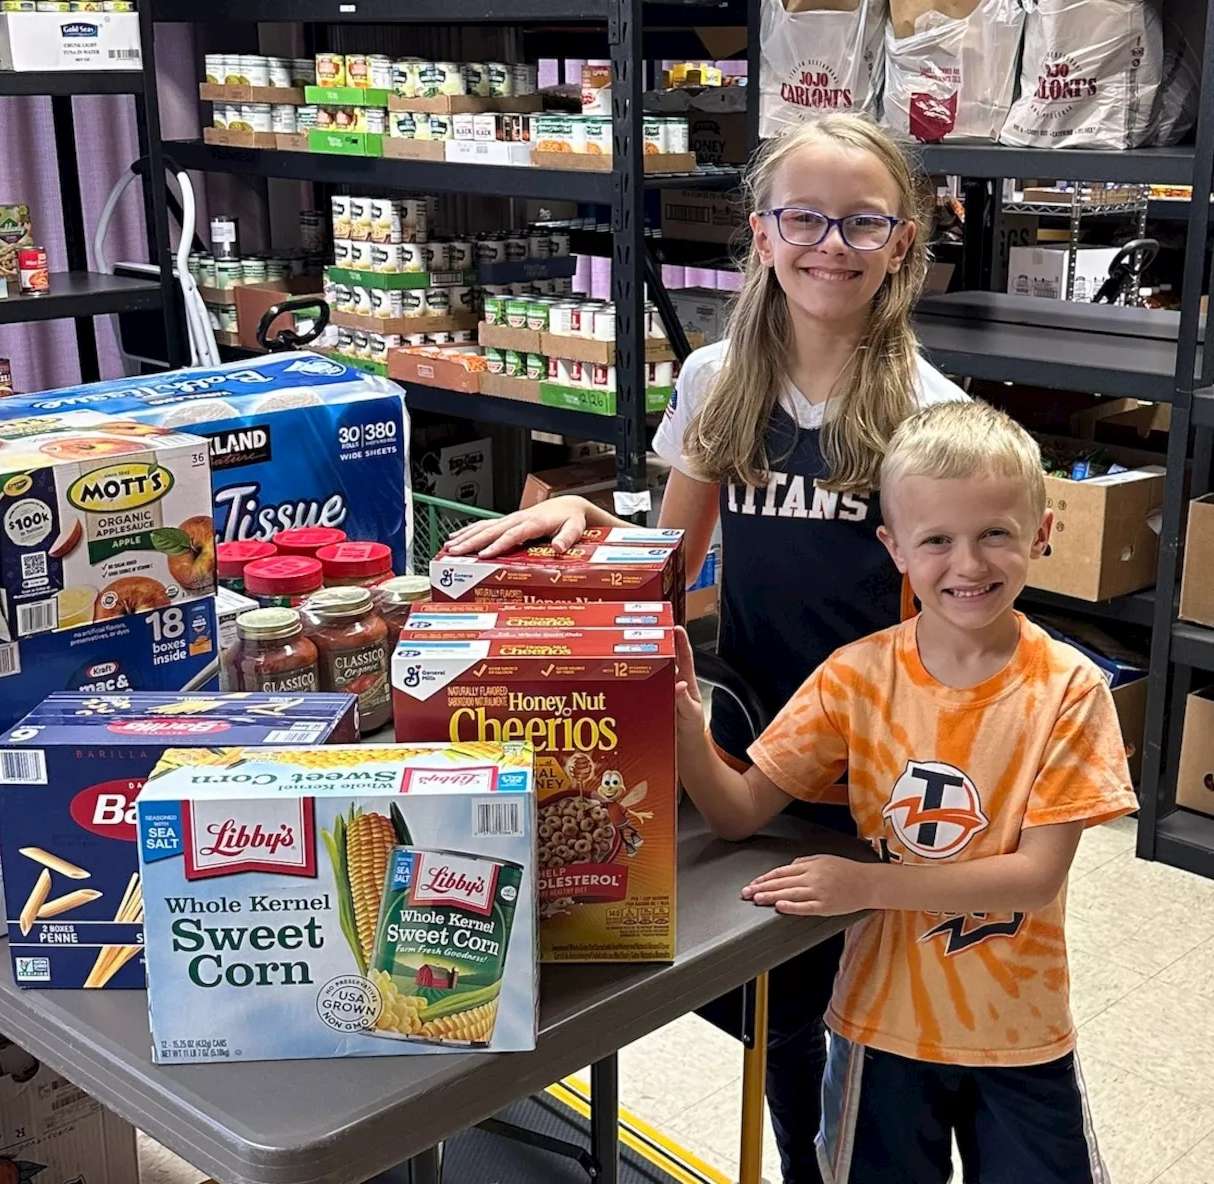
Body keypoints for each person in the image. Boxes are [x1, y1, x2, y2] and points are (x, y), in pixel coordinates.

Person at [446, 113, 966, 1182]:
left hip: (874, 767)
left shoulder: (928, 412)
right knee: (769, 1010)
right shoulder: (718, 377)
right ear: (761, 233)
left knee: (870, 1032)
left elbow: (955, 629)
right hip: (750, 741)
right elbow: (668, 561)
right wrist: (586, 526)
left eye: (862, 223)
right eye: (803, 218)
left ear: (901, 242)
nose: (832, 244)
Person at [675, 399, 1136, 1184]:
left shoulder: (1071, 690)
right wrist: (685, 732)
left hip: (1021, 1028)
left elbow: (1034, 878)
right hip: (879, 1026)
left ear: (1043, 533)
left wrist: (865, 883)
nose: (968, 564)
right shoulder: (856, 677)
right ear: (894, 548)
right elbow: (739, 808)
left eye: (995, 533)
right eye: (936, 541)